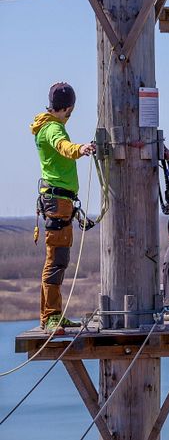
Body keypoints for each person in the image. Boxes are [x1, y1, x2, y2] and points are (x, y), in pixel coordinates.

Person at [31, 82, 95, 332]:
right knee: (57, 259)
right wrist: (80, 149)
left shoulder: (45, 125)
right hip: (58, 202)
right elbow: (63, 146)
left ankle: (52, 314)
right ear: (68, 108)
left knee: (58, 258)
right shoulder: (53, 128)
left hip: (60, 201)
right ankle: (51, 316)